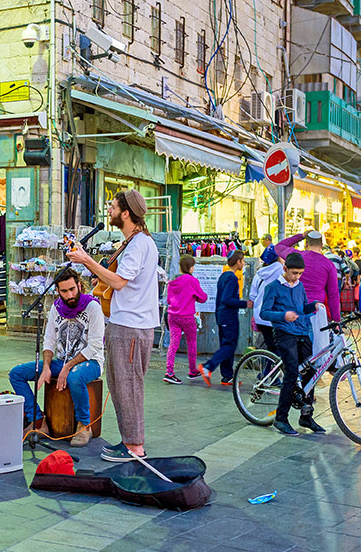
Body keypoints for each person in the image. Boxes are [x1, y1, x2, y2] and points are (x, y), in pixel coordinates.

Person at [67, 189, 159, 462]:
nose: (109, 211)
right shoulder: (135, 242)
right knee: (120, 386)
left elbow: (120, 281)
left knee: (127, 386)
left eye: (113, 207)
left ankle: (134, 446)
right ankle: (130, 441)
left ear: (126, 213)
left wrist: (87, 260)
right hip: (127, 324)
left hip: (131, 326)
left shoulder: (139, 244)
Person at [8, 270, 104, 447]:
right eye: (64, 291)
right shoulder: (56, 308)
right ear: (58, 291)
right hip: (61, 360)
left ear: (80, 286)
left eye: (72, 289)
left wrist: (68, 367)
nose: (70, 295)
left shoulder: (92, 307)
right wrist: (46, 367)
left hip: (90, 362)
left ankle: (84, 425)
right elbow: (49, 340)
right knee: (17, 373)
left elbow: (96, 345)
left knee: (75, 377)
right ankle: (38, 421)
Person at [259, 252, 326, 436]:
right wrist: (283, 316)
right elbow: (264, 313)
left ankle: (306, 415)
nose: (297, 277)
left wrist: (314, 306)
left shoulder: (300, 286)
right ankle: (281, 419)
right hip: (284, 333)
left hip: (302, 332)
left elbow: (303, 307)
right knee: (291, 373)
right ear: (285, 269)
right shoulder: (273, 287)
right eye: (294, 273)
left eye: (300, 274)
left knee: (311, 372)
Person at [275, 230, 341, 356]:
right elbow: (333, 295)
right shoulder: (328, 265)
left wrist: (300, 236)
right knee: (311, 353)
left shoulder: (296, 256)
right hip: (314, 314)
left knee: (293, 352)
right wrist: (336, 320)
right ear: (322, 246)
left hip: (291, 310)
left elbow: (278, 247)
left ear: (306, 244)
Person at [199, 250, 252, 386]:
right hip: (228, 316)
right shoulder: (232, 278)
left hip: (221, 315)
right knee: (229, 345)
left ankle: (227, 376)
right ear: (238, 261)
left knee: (227, 345)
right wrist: (245, 303)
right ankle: (208, 366)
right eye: (243, 260)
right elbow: (227, 299)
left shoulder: (224, 276)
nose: (244, 263)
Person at [164, 254, 207, 383]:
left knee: (173, 343)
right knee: (191, 343)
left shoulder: (172, 281)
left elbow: (168, 299)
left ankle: (169, 371)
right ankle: (192, 371)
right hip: (187, 317)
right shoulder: (191, 280)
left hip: (172, 316)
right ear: (190, 267)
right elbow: (203, 298)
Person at [249, 245, 285, 354]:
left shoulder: (258, 274)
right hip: (277, 317)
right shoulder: (283, 273)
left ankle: (268, 370)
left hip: (260, 316)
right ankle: (271, 370)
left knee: (271, 347)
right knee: (279, 348)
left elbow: (252, 297)